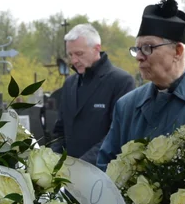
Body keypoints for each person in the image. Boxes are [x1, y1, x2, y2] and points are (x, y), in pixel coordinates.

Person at [98, 0, 185, 168]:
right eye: (137, 49)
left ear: (178, 51)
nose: (140, 57)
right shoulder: (127, 105)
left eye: (148, 48)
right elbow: (105, 167)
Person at [49, 23, 134, 163]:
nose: (74, 60)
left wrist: (82, 166)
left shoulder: (121, 82)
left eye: (79, 54)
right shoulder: (69, 84)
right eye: (70, 54)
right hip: (67, 175)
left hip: (102, 173)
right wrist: (50, 161)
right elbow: (60, 132)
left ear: (97, 49)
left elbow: (116, 135)